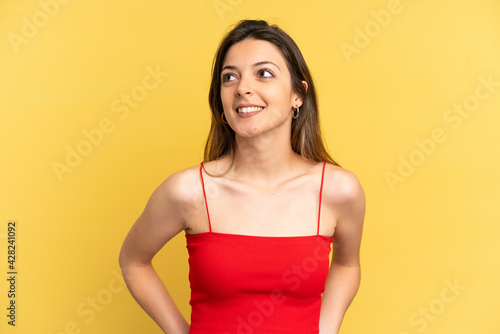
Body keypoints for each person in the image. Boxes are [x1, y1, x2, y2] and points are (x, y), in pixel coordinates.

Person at [119, 19, 365, 334]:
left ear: (298, 96)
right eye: (229, 77)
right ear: (220, 101)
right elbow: (133, 261)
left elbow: (348, 264)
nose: (243, 88)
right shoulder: (188, 191)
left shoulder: (339, 190)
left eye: (264, 73)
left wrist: (325, 330)